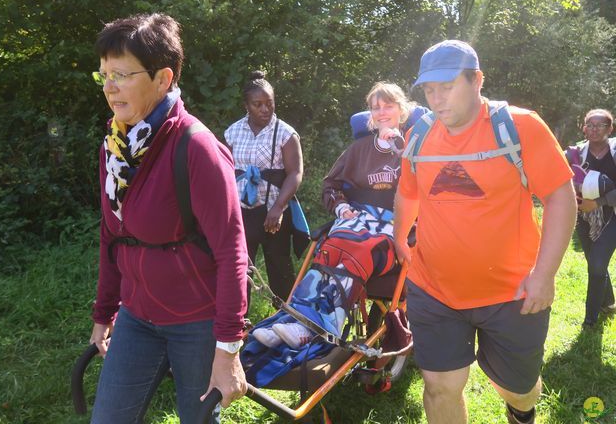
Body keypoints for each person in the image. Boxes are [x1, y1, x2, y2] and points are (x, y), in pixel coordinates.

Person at [393, 40, 577, 424]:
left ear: (477, 80)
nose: (437, 99)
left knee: (519, 389)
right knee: (439, 387)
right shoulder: (421, 135)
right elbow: (408, 193)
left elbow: (561, 197)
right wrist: (399, 236)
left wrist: (544, 275)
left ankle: (520, 409)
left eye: (447, 87)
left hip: (513, 293)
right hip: (434, 290)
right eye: (429, 90)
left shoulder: (519, 127)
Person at [88, 13, 248, 424]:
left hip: (197, 322)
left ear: (163, 79)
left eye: (121, 74)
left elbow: (232, 252)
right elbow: (113, 235)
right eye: (104, 74)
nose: (109, 87)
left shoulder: (197, 147)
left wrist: (228, 347)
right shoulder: (114, 146)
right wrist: (104, 313)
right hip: (136, 316)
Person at [242, 82, 416, 386]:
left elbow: (425, 187)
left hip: (397, 225)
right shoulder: (359, 149)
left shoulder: (416, 147)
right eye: (375, 107)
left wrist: (401, 149)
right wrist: (341, 208)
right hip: (357, 218)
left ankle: (318, 325)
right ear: (370, 116)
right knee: (332, 245)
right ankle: (297, 318)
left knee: (357, 246)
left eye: (387, 106)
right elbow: (330, 186)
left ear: (401, 111)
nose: (381, 112)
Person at [224, 71, 305, 301]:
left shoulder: (285, 134)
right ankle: (239, 323)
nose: (264, 109)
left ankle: (288, 320)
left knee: (280, 268)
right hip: (241, 212)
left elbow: (295, 173)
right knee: (240, 269)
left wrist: (279, 208)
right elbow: (225, 171)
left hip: (273, 212)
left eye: (269, 103)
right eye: (257, 104)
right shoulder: (233, 132)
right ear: (246, 105)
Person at [565, 109, 616, 328]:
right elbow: (561, 180)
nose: (594, 129)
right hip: (585, 218)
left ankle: (590, 320)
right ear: (584, 128)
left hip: (611, 215)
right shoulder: (575, 154)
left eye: (600, 125)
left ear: (610, 128)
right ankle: (610, 303)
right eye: (589, 125)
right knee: (596, 262)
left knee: (596, 265)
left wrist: (598, 202)